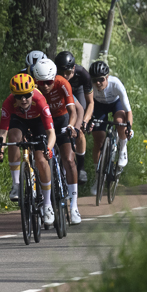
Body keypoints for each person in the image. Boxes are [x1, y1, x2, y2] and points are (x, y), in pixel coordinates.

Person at [0, 72, 56, 227]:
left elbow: (51, 133)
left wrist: (48, 148)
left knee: (41, 160)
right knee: (14, 138)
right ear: (13, 95)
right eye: (18, 96)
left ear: (32, 92)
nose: (23, 100)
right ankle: (16, 185)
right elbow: (3, 132)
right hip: (19, 120)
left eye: (27, 95)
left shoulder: (40, 100)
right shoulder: (8, 103)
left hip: (38, 123)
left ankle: (48, 205)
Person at [32, 57, 82, 225]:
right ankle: (41, 198)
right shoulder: (33, 87)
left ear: (54, 78)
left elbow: (73, 112)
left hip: (61, 119)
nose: (44, 86)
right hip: (42, 121)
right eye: (41, 82)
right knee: (40, 159)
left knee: (69, 159)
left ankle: (74, 206)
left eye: (48, 82)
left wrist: (71, 126)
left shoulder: (62, 83)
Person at [88, 60, 133, 195]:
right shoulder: (91, 86)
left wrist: (128, 127)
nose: (98, 83)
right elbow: (89, 105)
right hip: (99, 105)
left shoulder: (116, 84)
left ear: (107, 77)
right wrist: (89, 121)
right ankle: (98, 178)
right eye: (95, 80)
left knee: (120, 121)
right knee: (98, 139)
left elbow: (128, 110)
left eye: (101, 79)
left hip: (115, 104)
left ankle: (123, 148)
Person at [54, 50, 93, 188]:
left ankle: (81, 167)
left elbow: (90, 103)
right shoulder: (53, 76)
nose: (65, 76)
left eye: (68, 73)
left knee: (80, 129)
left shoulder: (83, 74)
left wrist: (85, 121)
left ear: (74, 69)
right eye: (61, 73)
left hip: (77, 92)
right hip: (61, 92)